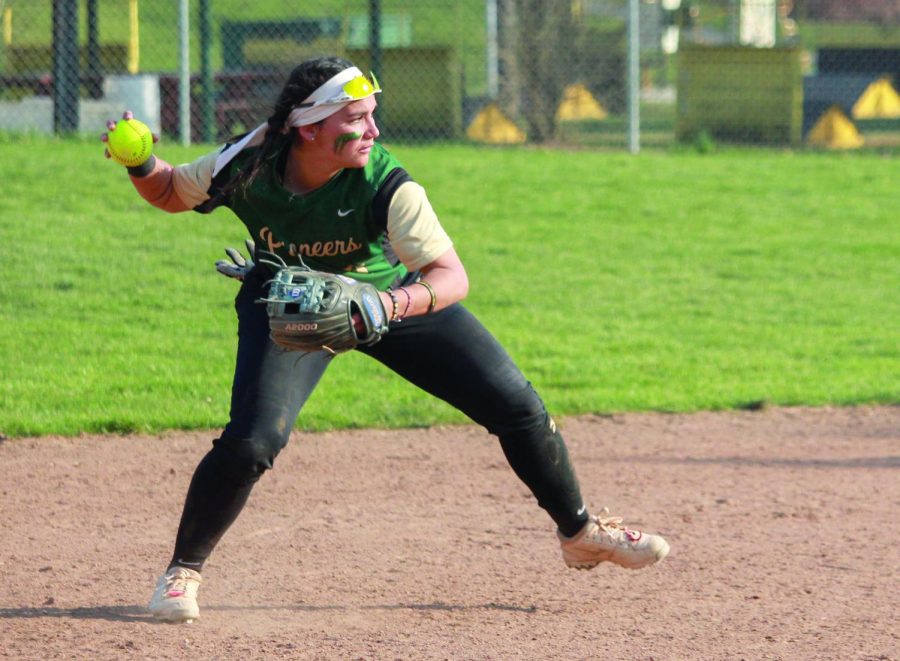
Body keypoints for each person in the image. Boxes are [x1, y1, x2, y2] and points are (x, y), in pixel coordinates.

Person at [102, 56, 669, 624]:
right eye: (356, 117)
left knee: (516, 404)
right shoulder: (250, 161)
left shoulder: (387, 182)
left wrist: (385, 303)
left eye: (373, 115)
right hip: (285, 303)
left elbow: (451, 276)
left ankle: (581, 532)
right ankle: (182, 573)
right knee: (253, 440)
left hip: (383, 299)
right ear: (309, 127)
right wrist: (140, 161)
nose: (372, 130)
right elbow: (173, 192)